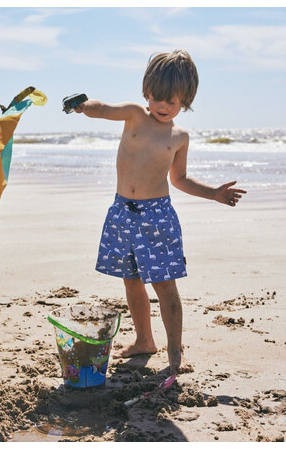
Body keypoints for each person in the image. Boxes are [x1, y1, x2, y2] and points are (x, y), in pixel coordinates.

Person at [74, 50, 246, 374]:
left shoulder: (179, 137)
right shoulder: (133, 115)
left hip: (156, 217)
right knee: (131, 280)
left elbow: (179, 179)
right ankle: (144, 340)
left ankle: (175, 353)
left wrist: (213, 193)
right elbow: (102, 109)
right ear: (146, 93)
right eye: (157, 98)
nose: (163, 106)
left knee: (165, 285)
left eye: (172, 101)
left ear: (185, 100)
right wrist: (84, 106)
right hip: (121, 212)